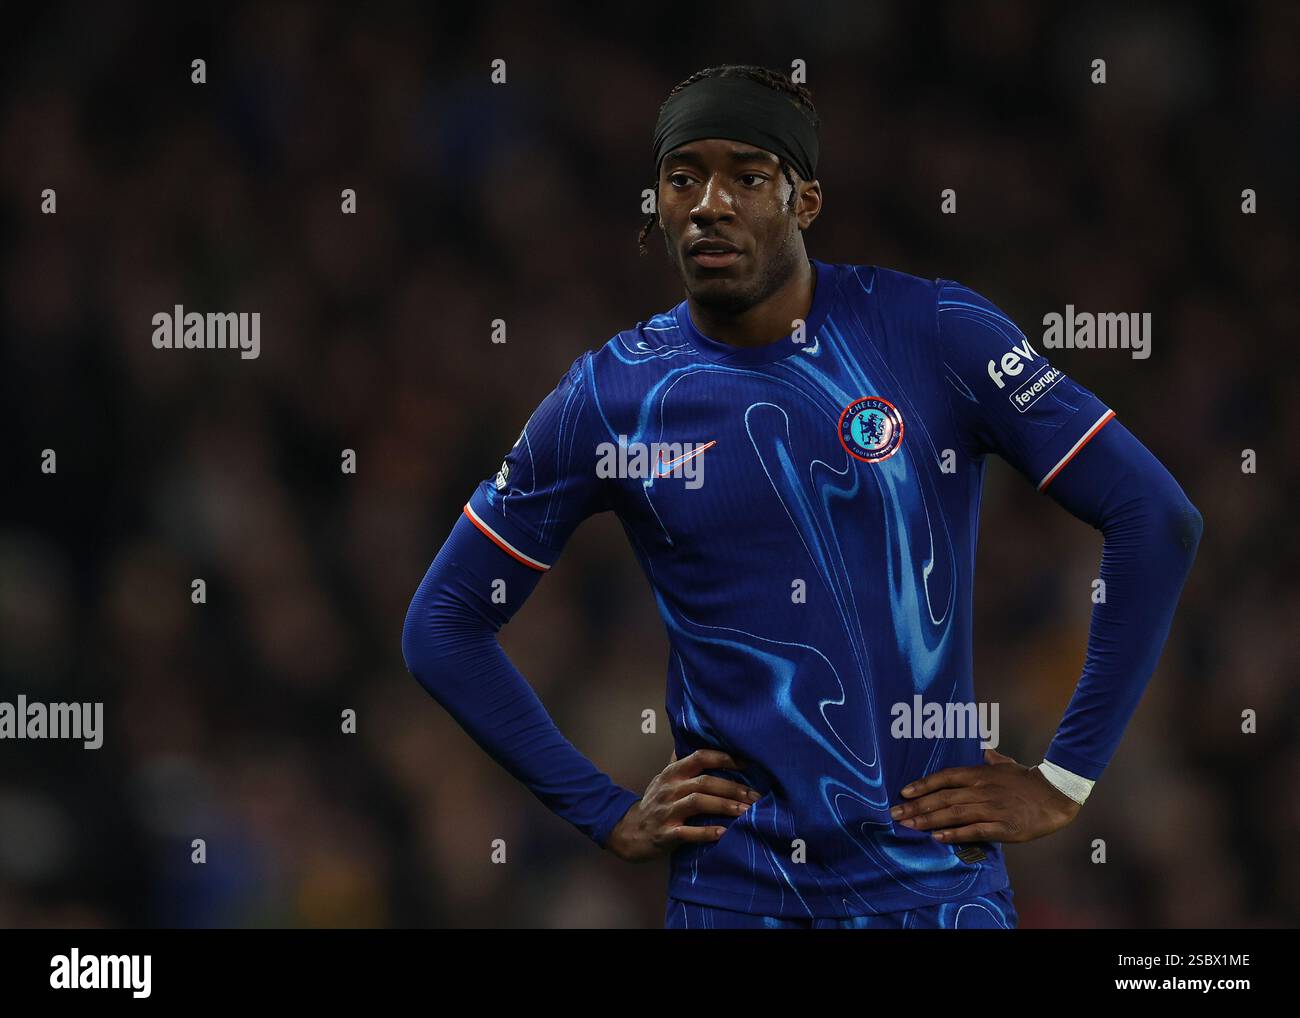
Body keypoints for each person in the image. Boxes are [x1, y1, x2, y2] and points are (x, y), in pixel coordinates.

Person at [401, 64, 1203, 929]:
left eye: (747, 176)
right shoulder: (610, 397)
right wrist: (600, 809)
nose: (710, 202)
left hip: (931, 892)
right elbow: (442, 623)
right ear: (658, 204)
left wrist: (1065, 777)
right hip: (735, 899)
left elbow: (1155, 516)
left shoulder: (933, 333)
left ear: (804, 201)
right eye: (683, 177)